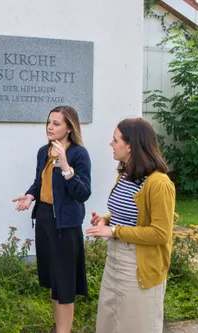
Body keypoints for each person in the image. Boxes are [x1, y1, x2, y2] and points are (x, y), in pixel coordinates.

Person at [86, 118, 175, 333]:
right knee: (109, 324)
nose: (111, 144)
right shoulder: (125, 174)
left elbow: (160, 233)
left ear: (130, 145)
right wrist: (107, 220)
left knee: (137, 326)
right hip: (115, 259)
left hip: (139, 265)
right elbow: (130, 215)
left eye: (115, 140)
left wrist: (114, 230)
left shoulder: (159, 183)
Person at [13, 106, 91, 333]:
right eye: (49, 122)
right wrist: (30, 195)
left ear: (69, 128)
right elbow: (40, 183)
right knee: (53, 280)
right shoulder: (43, 152)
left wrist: (65, 166)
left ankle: (64, 330)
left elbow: (83, 193)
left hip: (65, 225)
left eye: (56, 123)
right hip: (46, 220)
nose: (50, 126)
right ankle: (59, 328)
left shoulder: (78, 154)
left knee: (65, 283)